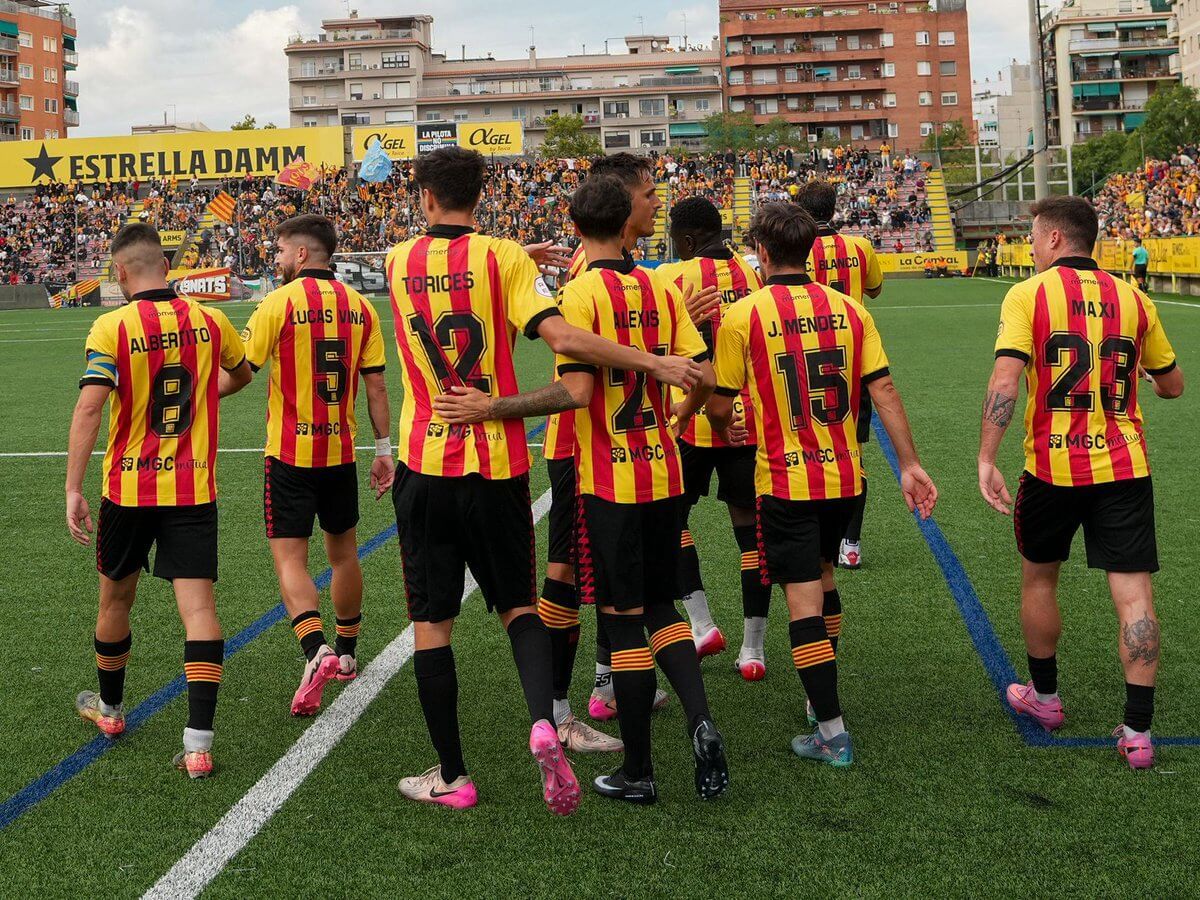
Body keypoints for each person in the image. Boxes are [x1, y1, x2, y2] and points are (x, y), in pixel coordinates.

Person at [385, 147, 703, 813]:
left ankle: (452, 775)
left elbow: (455, 269)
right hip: (498, 462)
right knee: (520, 608)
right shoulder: (505, 260)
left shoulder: (395, 260)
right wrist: (657, 363)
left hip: (426, 459)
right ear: (480, 193)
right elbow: (561, 335)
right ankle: (545, 719)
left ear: (424, 196)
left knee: (431, 625)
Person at [707, 202, 936, 768]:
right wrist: (908, 464)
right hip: (844, 476)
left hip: (785, 480)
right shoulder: (849, 310)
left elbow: (720, 404)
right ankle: (817, 700)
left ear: (761, 252)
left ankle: (831, 731)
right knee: (826, 577)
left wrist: (725, 417)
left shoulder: (745, 315)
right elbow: (883, 392)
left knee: (802, 599)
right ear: (809, 249)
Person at [979, 196, 1183, 770]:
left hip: (1052, 467)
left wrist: (986, 459)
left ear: (1052, 240)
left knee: (1040, 580)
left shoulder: (1028, 293)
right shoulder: (1135, 298)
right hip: (1124, 468)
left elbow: (1006, 378)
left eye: (1033, 237)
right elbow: (1173, 386)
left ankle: (1045, 699)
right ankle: (1138, 733)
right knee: (1134, 593)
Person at [548, 175, 728, 803]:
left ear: (576, 228)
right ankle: (702, 721)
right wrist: (680, 416)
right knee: (661, 608)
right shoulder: (658, 284)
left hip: (610, 478)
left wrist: (494, 410)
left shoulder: (577, 296)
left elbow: (579, 394)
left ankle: (640, 772)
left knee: (622, 620)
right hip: (666, 469)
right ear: (625, 220)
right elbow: (701, 375)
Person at [66, 223, 252, 779]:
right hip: (192, 487)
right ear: (167, 268)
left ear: (120, 272)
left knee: (115, 603)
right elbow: (240, 376)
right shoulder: (210, 319)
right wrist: (203, 395)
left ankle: (112, 710)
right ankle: (198, 744)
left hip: (127, 489)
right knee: (199, 612)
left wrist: (73, 487)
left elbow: (90, 408)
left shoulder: (112, 325)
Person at [240, 214, 394, 716]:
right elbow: (375, 386)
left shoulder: (277, 303)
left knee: (290, 559)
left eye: (282, 251)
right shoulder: (363, 307)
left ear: (302, 254)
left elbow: (242, 368)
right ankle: (348, 654)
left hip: (288, 454)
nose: (278, 259)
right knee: (344, 555)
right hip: (341, 454)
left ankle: (316, 650)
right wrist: (384, 449)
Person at [656, 197, 769, 681]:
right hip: (745, 419)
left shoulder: (670, 277)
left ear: (685, 239)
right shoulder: (755, 277)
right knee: (750, 531)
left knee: (672, 519)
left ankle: (702, 625)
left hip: (688, 419)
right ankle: (754, 649)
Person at [795, 181, 884, 576]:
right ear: (833, 208)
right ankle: (851, 543)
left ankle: (812, 539)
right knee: (853, 452)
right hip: (851, 356)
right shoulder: (860, 246)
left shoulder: (795, 248)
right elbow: (875, 290)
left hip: (802, 356)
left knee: (801, 446)